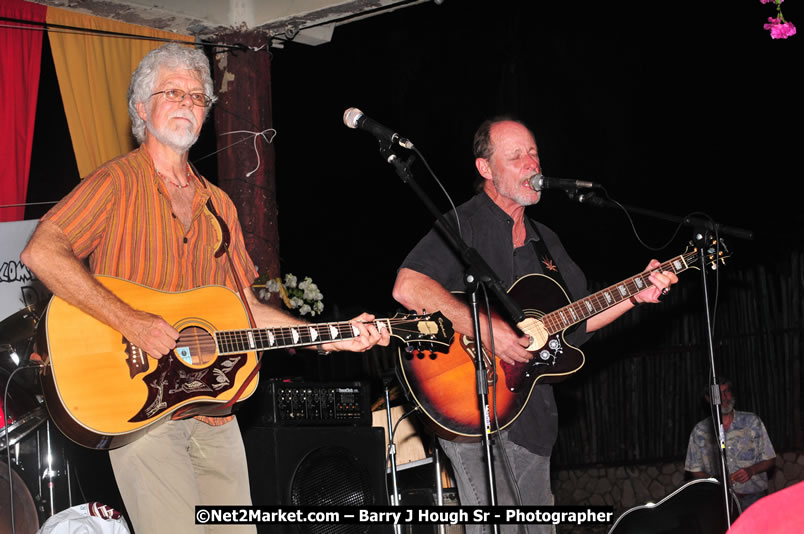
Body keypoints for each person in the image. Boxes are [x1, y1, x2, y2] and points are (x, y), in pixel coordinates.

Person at [21, 43, 389, 533]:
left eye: (198, 96)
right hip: (138, 407)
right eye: (173, 92)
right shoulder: (116, 184)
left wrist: (327, 333)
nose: (188, 103)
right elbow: (41, 251)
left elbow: (244, 309)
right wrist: (130, 320)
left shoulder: (220, 206)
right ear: (140, 107)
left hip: (214, 410)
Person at [392, 117, 679, 534]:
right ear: (486, 169)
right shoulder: (463, 223)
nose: (531, 164)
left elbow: (577, 323)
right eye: (516, 156)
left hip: (533, 420)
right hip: (469, 406)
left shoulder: (546, 242)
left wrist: (635, 295)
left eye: (534, 154)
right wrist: (485, 330)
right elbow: (408, 286)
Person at [685, 377, 776, 513]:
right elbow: (694, 470)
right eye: (718, 394)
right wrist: (716, 481)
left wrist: (751, 470)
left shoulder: (752, 422)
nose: (724, 397)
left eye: (726, 391)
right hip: (719, 502)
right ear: (708, 399)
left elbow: (770, 459)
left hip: (754, 500)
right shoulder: (700, 431)